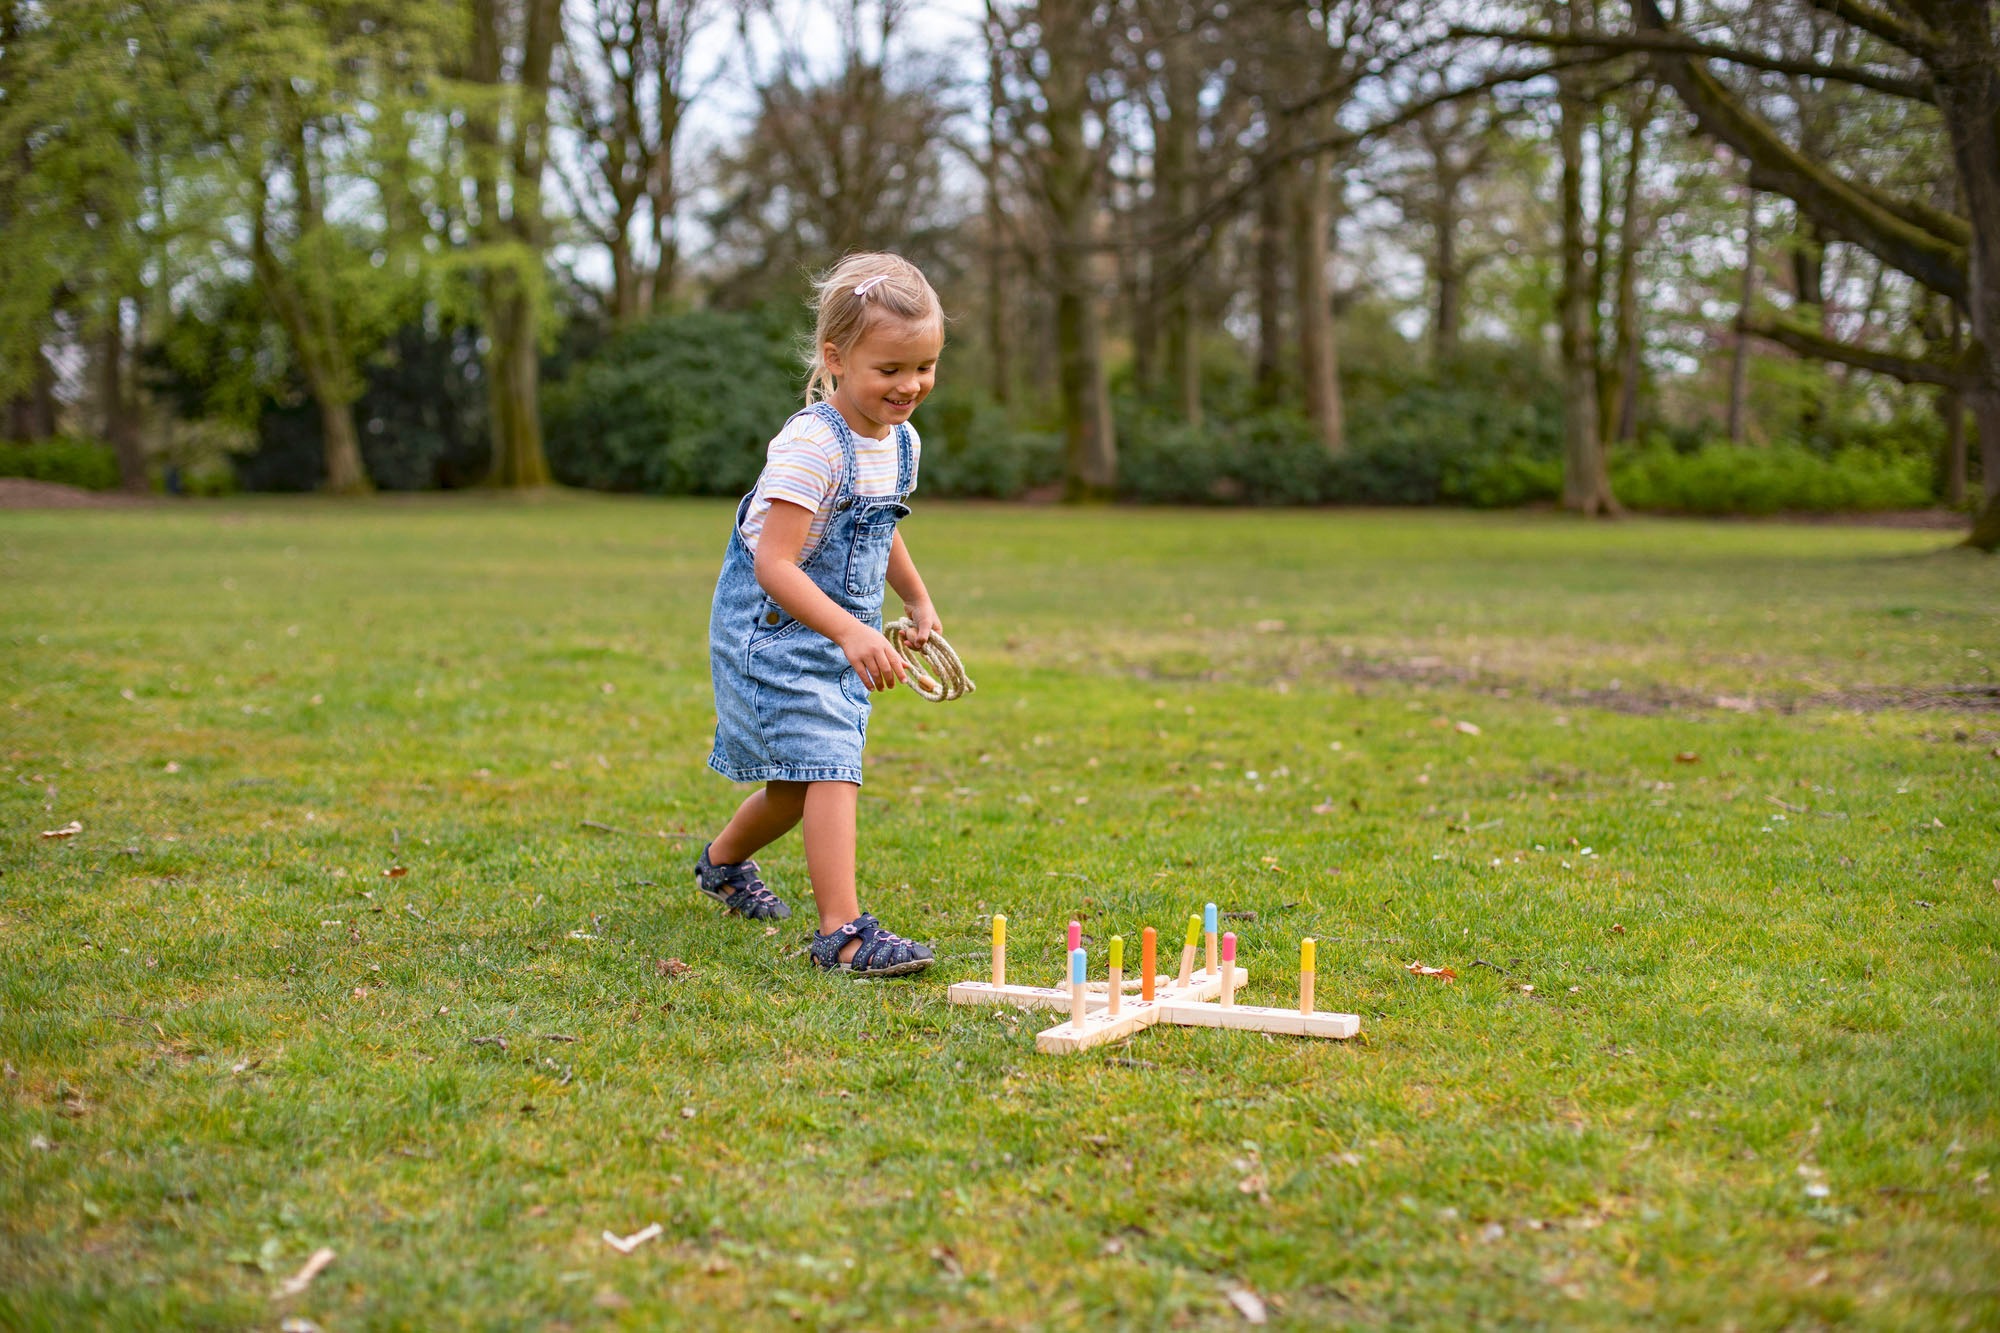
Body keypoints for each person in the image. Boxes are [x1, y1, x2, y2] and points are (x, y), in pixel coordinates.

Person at [693, 253, 946, 977]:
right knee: (833, 760)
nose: (910, 386)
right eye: (890, 368)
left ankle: (722, 863)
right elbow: (774, 563)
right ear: (836, 359)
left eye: (925, 366)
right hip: (771, 633)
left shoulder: (899, 442)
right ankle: (843, 933)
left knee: (797, 785)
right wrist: (849, 627)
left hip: (836, 630)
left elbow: (878, 525)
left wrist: (915, 597)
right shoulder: (810, 445)